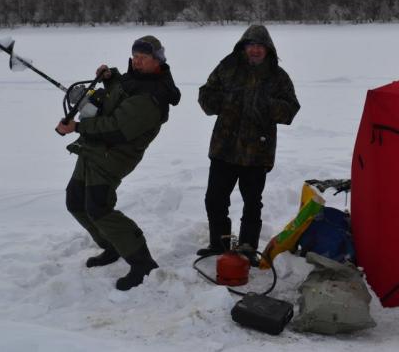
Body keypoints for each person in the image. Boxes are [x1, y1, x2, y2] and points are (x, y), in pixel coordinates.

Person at [56, 35, 180, 291]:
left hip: (113, 155)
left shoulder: (153, 96)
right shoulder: (136, 78)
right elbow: (121, 91)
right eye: (135, 57)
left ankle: (142, 262)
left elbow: (117, 128)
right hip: (94, 149)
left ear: (158, 61)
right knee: (75, 200)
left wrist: (77, 126)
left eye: (143, 58)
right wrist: (111, 78)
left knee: (99, 208)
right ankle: (112, 246)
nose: (137, 62)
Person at [196, 25, 300, 264]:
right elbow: (205, 95)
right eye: (250, 45)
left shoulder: (278, 76)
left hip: (257, 153)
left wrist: (267, 105)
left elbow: (291, 109)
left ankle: (247, 248)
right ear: (243, 47)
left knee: (252, 203)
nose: (254, 50)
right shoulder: (228, 67)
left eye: (259, 46)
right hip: (224, 148)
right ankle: (219, 243)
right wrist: (223, 102)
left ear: (268, 49)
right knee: (215, 199)